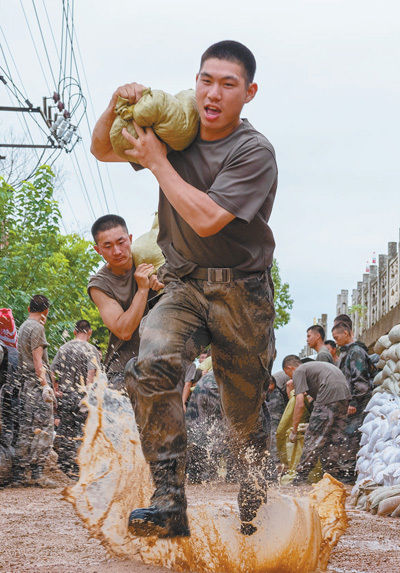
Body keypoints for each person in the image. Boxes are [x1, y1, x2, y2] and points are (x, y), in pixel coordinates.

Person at [91, 40, 277, 537]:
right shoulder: (177, 130)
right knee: (149, 364)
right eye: (205, 80)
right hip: (184, 285)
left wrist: (157, 162)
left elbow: (208, 218)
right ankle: (169, 502)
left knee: (244, 418)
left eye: (227, 84)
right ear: (195, 82)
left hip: (243, 295)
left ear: (249, 92)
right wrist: (117, 103)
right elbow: (103, 148)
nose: (212, 94)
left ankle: (256, 498)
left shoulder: (252, 151)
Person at [88, 215, 163, 391]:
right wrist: (142, 289)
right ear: (98, 250)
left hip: (161, 361)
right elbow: (124, 330)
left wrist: (164, 282)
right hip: (122, 369)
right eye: (107, 246)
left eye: (121, 242)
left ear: (130, 239)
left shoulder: (151, 259)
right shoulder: (99, 285)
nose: (117, 251)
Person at [282, 355, 351, 485]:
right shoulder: (314, 367)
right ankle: (336, 473)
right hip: (344, 394)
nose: (292, 379)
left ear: (290, 368)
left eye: (289, 375)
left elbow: (300, 403)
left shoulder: (299, 371)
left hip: (329, 393)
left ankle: (302, 475)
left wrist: (294, 430)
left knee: (313, 436)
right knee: (335, 436)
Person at [13, 295, 56, 487]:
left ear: (29, 307)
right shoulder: (37, 328)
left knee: (27, 427)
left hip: (25, 385)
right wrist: (46, 385)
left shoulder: (23, 326)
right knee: (44, 428)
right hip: (36, 385)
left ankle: (20, 474)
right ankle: (37, 474)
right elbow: (38, 362)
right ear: (46, 311)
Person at [50, 320, 100, 478]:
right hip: (80, 397)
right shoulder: (90, 349)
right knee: (81, 431)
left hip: (65, 396)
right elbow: (91, 374)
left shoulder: (64, 348)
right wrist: (88, 395)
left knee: (65, 431)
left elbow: (51, 371)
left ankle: (64, 466)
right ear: (89, 332)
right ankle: (78, 469)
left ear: (74, 331)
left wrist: (53, 390)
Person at [331, 321, 374, 481]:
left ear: (346, 333)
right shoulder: (348, 352)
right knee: (346, 437)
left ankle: (349, 473)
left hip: (357, 404)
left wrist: (354, 402)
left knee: (351, 437)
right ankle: (346, 471)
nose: (335, 341)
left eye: (337, 337)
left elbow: (361, 381)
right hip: (348, 403)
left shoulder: (356, 352)